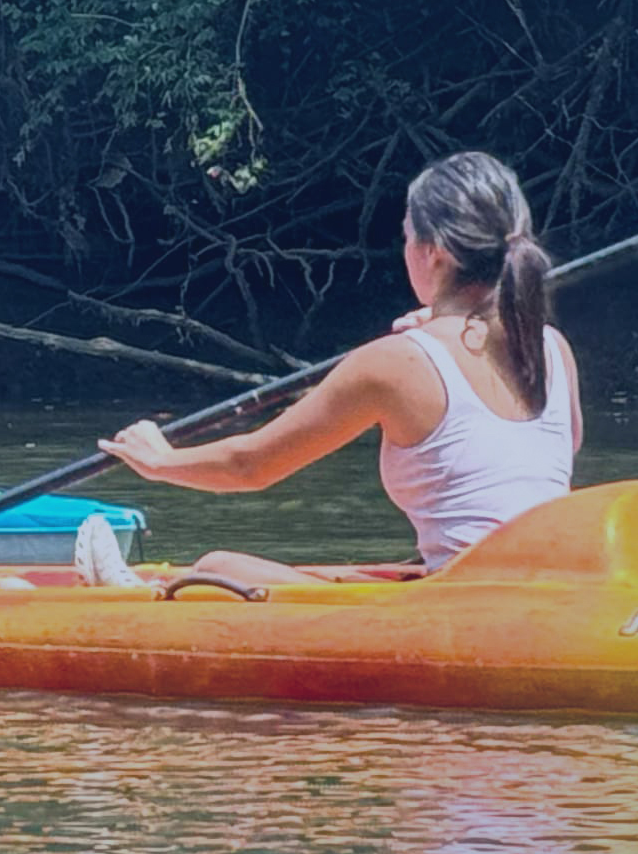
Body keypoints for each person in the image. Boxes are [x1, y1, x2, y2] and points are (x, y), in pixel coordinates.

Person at [75, 151, 582, 589]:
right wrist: (448, 325)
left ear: (434, 253)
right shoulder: (550, 347)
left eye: (407, 237)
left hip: (467, 607)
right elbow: (539, 458)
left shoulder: (397, 360)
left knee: (216, 567)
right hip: (550, 590)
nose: (406, 250)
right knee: (352, 578)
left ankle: (140, 596)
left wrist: (161, 460)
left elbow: (251, 466)